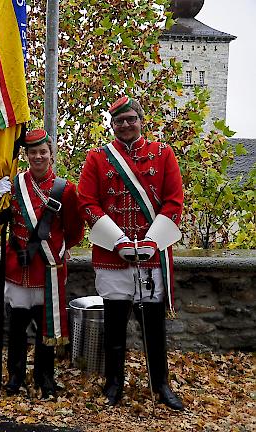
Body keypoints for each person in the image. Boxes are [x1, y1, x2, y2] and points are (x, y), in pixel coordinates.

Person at [77, 95, 184, 410]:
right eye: (119, 121)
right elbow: (87, 202)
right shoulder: (97, 158)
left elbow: (174, 200)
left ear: (141, 119)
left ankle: (160, 384)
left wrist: (152, 241)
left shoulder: (163, 154)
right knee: (114, 325)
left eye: (130, 119)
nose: (125, 125)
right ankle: (113, 385)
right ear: (113, 125)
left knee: (153, 325)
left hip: (151, 254)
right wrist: (118, 240)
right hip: (113, 256)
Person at [0, 129, 84, 397]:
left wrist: (61, 251)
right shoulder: (15, 184)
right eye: (33, 152)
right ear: (27, 155)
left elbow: (75, 229)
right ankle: (15, 378)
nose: (38, 156)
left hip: (48, 268)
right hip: (19, 267)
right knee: (16, 329)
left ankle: (46, 380)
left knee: (47, 331)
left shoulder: (64, 189)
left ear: (51, 154)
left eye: (43, 151)